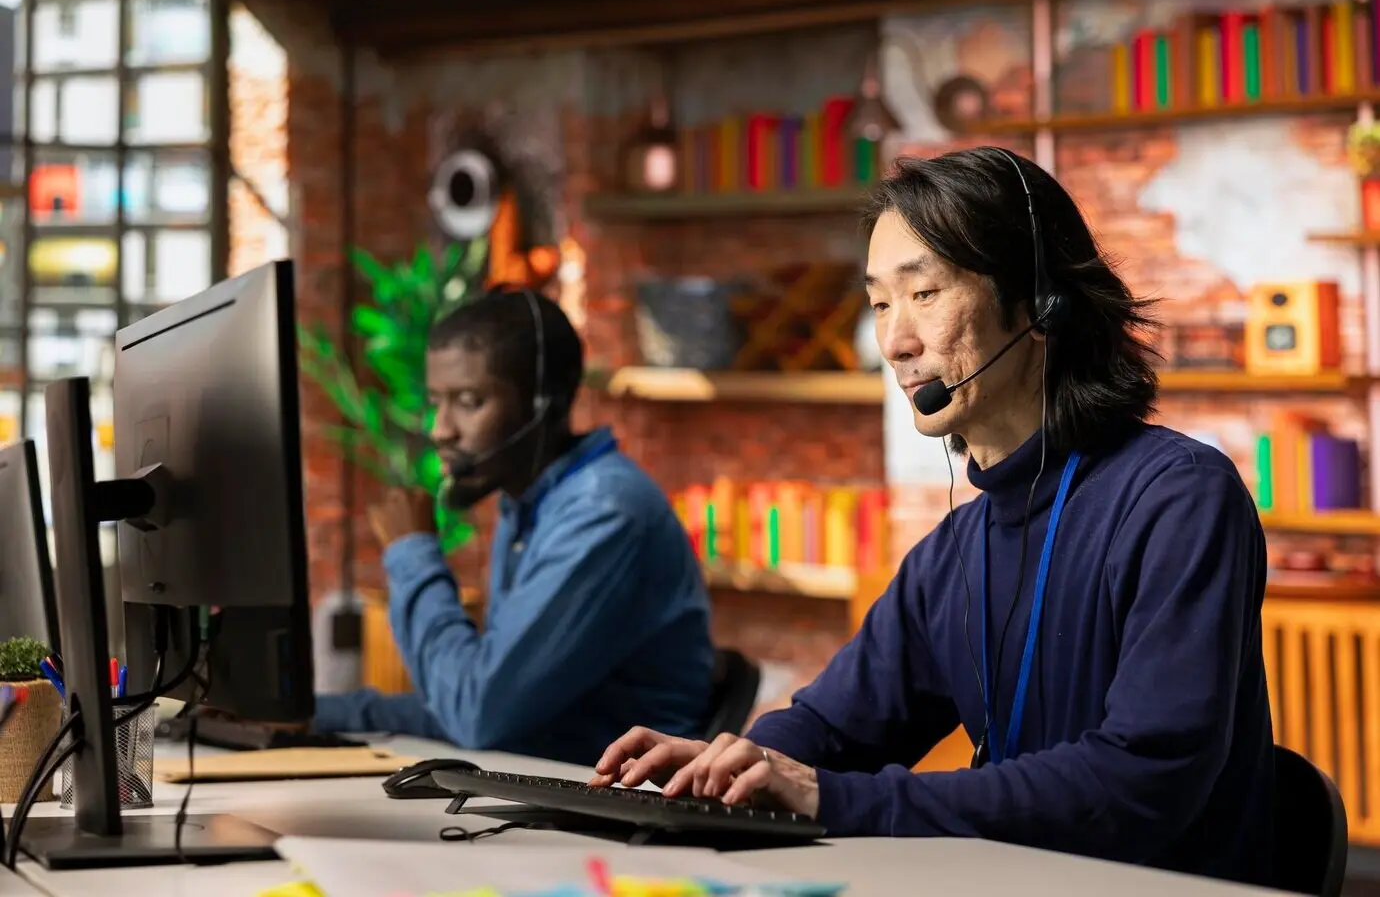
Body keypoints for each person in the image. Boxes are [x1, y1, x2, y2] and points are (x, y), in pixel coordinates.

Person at [591, 147, 1275, 887]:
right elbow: (831, 728)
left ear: (1040, 302)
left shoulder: (1179, 499)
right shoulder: (957, 550)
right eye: (880, 302)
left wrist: (837, 799)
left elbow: (1142, 778)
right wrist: (730, 765)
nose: (894, 342)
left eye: (924, 294)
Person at [315, 286, 716, 765]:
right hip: (541, 775)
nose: (441, 429)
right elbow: (470, 699)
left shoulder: (602, 513)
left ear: (544, 403)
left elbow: (477, 712)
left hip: (616, 803)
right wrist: (315, 715)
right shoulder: (530, 506)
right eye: (436, 401)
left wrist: (413, 552)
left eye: (468, 401)